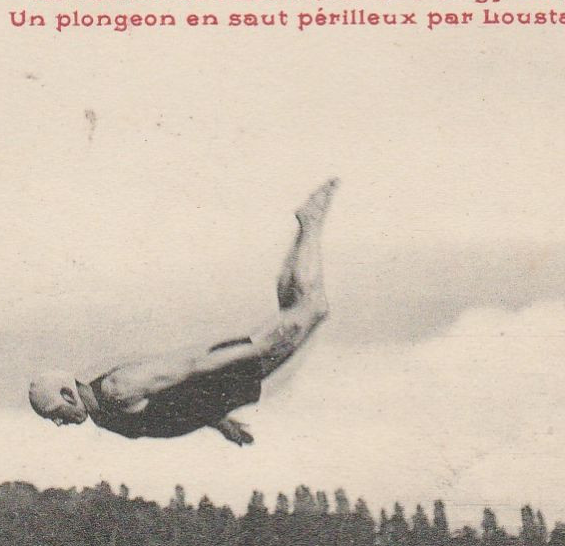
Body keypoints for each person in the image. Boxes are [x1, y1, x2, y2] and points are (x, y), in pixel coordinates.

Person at [28, 179, 338, 445]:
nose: (59, 423)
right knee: (300, 308)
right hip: (229, 383)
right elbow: (174, 405)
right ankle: (306, 226)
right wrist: (220, 422)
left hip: (233, 367)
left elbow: (190, 364)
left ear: (69, 395)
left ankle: (309, 224)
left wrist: (254, 351)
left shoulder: (118, 388)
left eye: (56, 415)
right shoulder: (105, 415)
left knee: (313, 307)